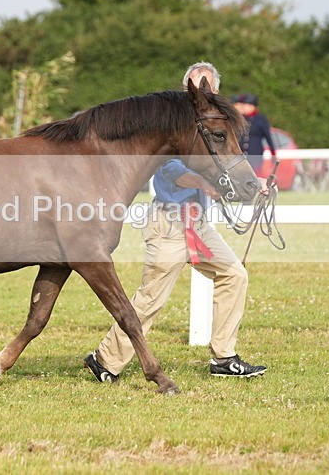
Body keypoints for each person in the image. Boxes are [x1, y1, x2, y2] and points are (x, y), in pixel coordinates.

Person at [83, 61, 268, 383]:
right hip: (168, 223)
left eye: (206, 86)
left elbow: (228, 164)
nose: (199, 92)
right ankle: (104, 360)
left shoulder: (209, 126)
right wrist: (202, 184)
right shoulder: (168, 125)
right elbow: (167, 170)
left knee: (234, 275)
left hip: (196, 224)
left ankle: (224, 356)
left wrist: (255, 184)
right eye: (195, 86)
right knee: (151, 298)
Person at [233, 93, 276, 174]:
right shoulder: (240, 118)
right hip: (241, 153)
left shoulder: (261, 119)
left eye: (244, 105)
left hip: (255, 154)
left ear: (251, 106)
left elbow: (268, 137)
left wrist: (273, 153)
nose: (242, 107)